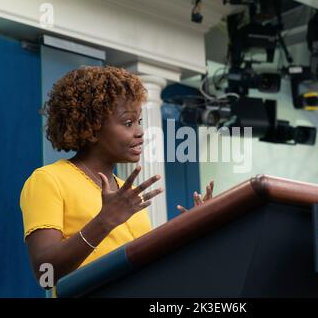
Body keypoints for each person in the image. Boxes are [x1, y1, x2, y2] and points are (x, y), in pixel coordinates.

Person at [20, 66, 214, 290]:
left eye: (139, 122)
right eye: (128, 123)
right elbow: (46, 275)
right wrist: (105, 220)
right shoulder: (48, 180)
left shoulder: (126, 195)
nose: (140, 132)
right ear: (92, 127)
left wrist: (193, 229)